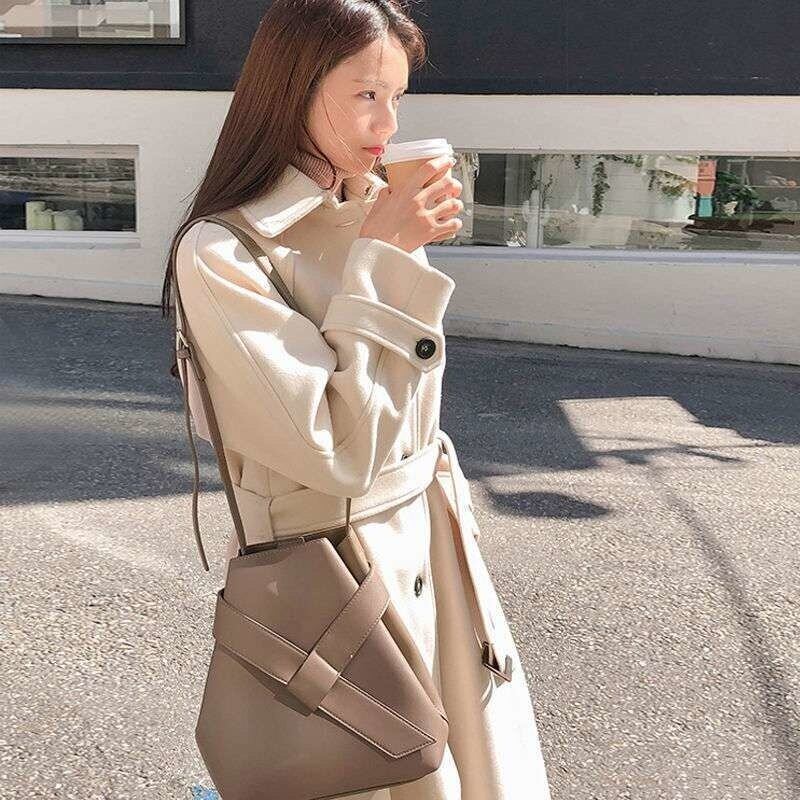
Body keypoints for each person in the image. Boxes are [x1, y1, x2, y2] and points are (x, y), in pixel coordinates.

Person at [161, 1, 552, 798]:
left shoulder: (368, 211)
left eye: (397, 96)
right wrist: (388, 254)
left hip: (433, 558)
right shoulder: (224, 251)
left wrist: (388, 241)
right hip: (339, 582)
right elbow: (337, 452)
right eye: (366, 95)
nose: (388, 122)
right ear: (292, 88)